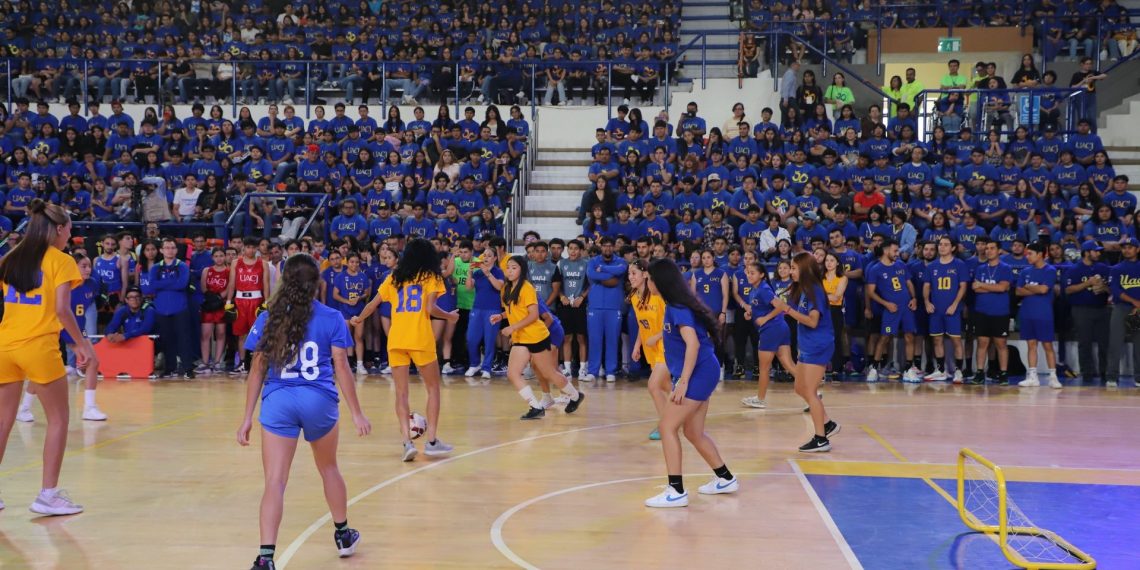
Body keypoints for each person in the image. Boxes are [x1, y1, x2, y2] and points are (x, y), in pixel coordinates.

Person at [236, 254, 370, 570]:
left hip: (278, 401)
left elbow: (257, 370)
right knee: (329, 468)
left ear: (284, 282)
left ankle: (265, 557)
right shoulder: (332, 316)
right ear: (317, 284)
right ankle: (343, 535)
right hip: (318, 400)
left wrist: (246, 418)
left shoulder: (268, 317)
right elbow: (341, 366)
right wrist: (357, 412)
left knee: (275, 481)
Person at [0, 199, 91, 515]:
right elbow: (62, 310)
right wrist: (81, 344)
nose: (69, 236)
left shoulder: (11, 257)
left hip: (5, 345)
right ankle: (48, 495)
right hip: (38, 346)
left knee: (3, 419)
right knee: (59, 418)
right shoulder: (61, 260)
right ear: (59, 229)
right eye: (69, 230)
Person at [643, 259, 737, 508]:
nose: (647, 282)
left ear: (660, 281)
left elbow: (692, 344)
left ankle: (676, 490)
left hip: (699, 373)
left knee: (666, 427)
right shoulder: (675, 305)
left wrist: (683, 382)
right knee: (693, 432)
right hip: (703, 370)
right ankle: (725, 478)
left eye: (649, 279)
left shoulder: (678, 308)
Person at [353, 238, 458, 461]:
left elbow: (372, 304)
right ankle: (431, 442)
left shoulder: (394, 277)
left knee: (401, 393)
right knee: (433, 389)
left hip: (396, 339)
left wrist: (358, 319)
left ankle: (407, 443)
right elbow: (430, 308)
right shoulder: (431, 277)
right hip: (420, 338)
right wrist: (450, 316)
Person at [490, 255, 584, 420]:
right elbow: (516, 310)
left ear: (522, 270)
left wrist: (512, 328)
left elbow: (533, 315)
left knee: (549, 373)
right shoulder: (506, 289)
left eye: (514, 268)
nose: (510, 271)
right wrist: (501, 316)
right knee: (513, 373)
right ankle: (535, 407)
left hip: (536, 336)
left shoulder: (527, 288)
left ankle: (575, 396)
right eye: (508, 268)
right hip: (521, 338)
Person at [18, 253, 106, 422]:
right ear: (73, 267)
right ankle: (88, 407)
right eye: (83, 266)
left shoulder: (92, 284)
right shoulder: (65, 285)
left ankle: (88, 407)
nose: (88, 269)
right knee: (46, 369)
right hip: (59, 327)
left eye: (89, 266)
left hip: (78, 328)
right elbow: (59, 311)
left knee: (91, 362)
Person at [771, 252, 841, 452]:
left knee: (809, 392)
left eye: (794, 268)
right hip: (808, 345)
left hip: (818, 345)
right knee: (799, 388)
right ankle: (827, 424)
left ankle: (821, 439)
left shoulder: (815, 291)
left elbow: (812, 321)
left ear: (804, 269)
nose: (791, 271)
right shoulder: (802, 289)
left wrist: (787, 309)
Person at [741, 261, 795, 409]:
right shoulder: (755, 289)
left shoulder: (763, 289)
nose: (749, 275)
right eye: (748, 272)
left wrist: (765, 319)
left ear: (761, 275)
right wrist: (749, 314)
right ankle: (813, 392)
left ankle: (760, 399)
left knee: (764, 367)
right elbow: (759, 308)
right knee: (788, 364)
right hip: (780, 327)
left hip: (771, 329)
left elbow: (781, 306)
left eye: (752, 273)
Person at [866, 239, 921, 382]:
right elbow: (870, 292)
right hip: (891, 310)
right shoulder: (875, 269)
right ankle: (874, 368)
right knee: (884, 337)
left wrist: (914, 298)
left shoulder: (901, 265)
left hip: (906, 308)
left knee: (910, 336)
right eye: (895, 251)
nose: (898, 253)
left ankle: (908, 369)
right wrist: (886, 304)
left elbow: (909, 283)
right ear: (886, 251)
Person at [628, 260, 668, 440]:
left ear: (645, 274)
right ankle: (687, 411)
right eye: (629, 274)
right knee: (666, 386)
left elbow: (671, 324)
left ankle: (666, 425)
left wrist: (657, 337)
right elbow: (641, 324)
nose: (630, 277)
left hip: (665, 345)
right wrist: (637, 345)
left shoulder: (658, 295)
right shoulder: (634, 297)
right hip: (649, 348)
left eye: (634, 273)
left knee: (653, 385)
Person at [147, 238, 197, 379]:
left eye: (172, 248)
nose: (170, 250)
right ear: (161, 250)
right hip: (161, 309)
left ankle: (187, 368)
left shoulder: (182, 266)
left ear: (176, 250)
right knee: (166, 339)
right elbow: (152, 285)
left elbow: (182, 284)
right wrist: (172, 282)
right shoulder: (156, 268)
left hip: (180, 308)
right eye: (167, 247)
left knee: (184, 339)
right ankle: (169, 369)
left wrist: (162, 283)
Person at [1062, 242, 1110, 385]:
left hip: (1102, 308)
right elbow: (1068, 290)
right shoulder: (1074, 269)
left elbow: (1113, 287)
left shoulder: (1103, 268)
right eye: (1095, 251)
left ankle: (1105, 372)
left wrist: (1103, 288)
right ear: (1087, 252)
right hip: (1081, 309)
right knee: (1084, 342)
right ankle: (1087, 373)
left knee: (1105, 343)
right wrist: (1087, 283)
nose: (1098, 253)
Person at [1015, 242, 1062, 388]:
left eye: (1030, 254)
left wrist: (1028, 287)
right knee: (1031, 345)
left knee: (1048, 345)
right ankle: (1032, 376)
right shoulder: (1025, 271)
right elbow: (1018, 291)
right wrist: (1035, 288)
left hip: (1043, 313)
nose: (1027, 256)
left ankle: (1053, 377)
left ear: (1040, 254)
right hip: (1027, 312)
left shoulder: (1050, 270)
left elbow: (1043, 290)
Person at [922, 237, 968, 382]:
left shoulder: (959, 264)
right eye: (940, 244)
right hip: (936, 310)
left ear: (953, 248)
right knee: (937, 340)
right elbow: (926, 286)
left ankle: (958, 371)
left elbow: (963, 287)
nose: (942, 247)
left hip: (952, 310)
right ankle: (941, 370)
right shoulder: (932, 266)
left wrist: (955, 304)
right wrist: (927, 302)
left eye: (946, 245)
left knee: (956, 341)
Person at [970, 238, 1013, 385]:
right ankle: (980, 373)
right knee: (982, 342)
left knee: (1001, 343)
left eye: (992, 248)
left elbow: (1002, 288)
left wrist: (982, 285)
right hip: (982, 310)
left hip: (1000, 311)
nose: (988, 251)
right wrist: (993, 287)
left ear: (999, 250)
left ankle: (1003, 373)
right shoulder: (980, 268)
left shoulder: (1005, 268)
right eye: (986, 248)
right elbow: (975, 289)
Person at [226, 237, 271, 375]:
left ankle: (258, 363)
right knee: (241, 334)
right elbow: (232, 283)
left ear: (256, 248)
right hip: (240, 300)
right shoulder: (236, 263)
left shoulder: (263, 263)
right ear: (243, 248)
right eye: (248, 247)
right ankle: (242, 363)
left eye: (253, 247)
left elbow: (266, 284)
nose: (250, 250)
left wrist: (267, 302)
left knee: (258, 334)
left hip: (256, 301)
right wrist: (228, 302)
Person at [464, 248, 504, 379]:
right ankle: (474, 364)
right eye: (484, 255)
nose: (486, 258)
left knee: (489, 339)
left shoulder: (498, 271)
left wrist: (488, 273)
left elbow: (499, 286)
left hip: (493, 309)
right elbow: (468, 287)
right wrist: (469, 273)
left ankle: (486, 367)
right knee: (471, 338)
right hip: (477, 308)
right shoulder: (478, 273)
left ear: (495, 258)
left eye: (489, 256)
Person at [1105, 237, 1140, 388]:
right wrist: (1134, 301)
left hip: (1138, 310)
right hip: (1121, 308)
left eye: (1130, 247)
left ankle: (1139, 377)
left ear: (1137, 249)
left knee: (1139, 344)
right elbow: (1115, 290)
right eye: (1124, 247)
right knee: (1115, 342)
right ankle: (1112, 377)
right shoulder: (1116, 268)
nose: (1127, 250)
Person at [199, 248, 231, 373]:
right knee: (205, 334)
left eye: (221, 255)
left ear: (225, 257)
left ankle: (217, 362)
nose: (219, 258)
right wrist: (211, 298)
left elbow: (230, 287)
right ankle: (205, 362)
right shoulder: (207, 270)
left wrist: (219, 298)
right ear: (212, 257)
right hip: (208, 304)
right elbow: (203, 287)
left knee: (221, 333)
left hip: (221, 305)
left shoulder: (229, 271)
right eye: (216, 256)